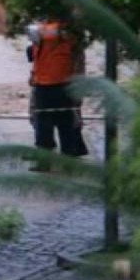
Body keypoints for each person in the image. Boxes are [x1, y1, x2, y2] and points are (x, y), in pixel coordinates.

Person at [27, 19, 88, 168]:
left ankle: (44, 162)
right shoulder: (70, 33)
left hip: (45, 85)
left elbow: (35, 39)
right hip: (63, 84)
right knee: (65, 123)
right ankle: (68, 161)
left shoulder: (44, 30)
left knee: (43, 126)